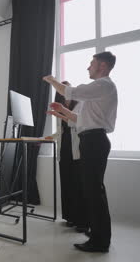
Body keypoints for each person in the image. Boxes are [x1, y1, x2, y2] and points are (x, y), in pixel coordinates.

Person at [43, 51, 117, 253]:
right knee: (92, 191)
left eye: (91, 63)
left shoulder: (103, 85)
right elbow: (78, 120)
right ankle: (98, 235)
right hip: (91, 140)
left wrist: (51, 80)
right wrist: (61, 111)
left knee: (94, 192)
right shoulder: (99, 91)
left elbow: (71, 92)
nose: (88, 67)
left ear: (102, 66)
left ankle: (100, 241)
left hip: (94, 141)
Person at [46, 88, 88, 233]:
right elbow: (61, 131)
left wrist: (62, 112)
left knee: (78, 184)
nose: (66, 96)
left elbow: (77, 123)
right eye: (62, 95)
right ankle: (70, 217)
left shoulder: (80, 104)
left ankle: (82, 221)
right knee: (67, 183)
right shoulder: (60, 108)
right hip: (64, 149)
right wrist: (48, 138)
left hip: (76, 149)